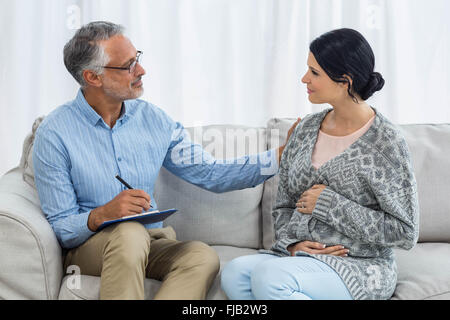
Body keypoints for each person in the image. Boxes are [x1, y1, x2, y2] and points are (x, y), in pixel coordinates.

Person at [32, 21, 298, 300]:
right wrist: (102, 214)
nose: (141, 70)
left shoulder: (154, 120)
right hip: (88, 248)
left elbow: (210, 173)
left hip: (149, 242)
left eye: (138, 59)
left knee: (200, 256)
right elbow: (62, 227)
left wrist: (280, 156)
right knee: (129, 236)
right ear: (93, 77)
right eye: (128, 65)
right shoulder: (54, 134)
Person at [221, 28, 420, 300]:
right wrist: (293, 245)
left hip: (360, 265)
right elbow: (283, 205)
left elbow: (405, 231)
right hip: (300, 258)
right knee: (236, 272)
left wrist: (330, 205)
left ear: (344, 80)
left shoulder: (386, 142)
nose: (304, 79)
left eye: (314, 72)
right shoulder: (305, 130)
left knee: (272, 278)